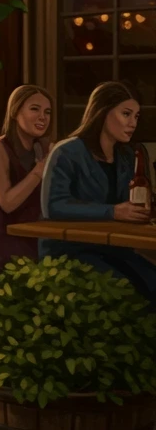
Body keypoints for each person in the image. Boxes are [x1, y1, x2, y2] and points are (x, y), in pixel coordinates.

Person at [40, 81, 155, 309]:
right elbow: (53, 206)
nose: (132, 123)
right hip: (71, 249)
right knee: (126, 292)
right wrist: (112, 211)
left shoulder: (128, 155)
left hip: (114, 247)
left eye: (136, 116)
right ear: (103, 112)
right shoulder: (67, 152)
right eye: (126, 114)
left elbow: (133, 203)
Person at [0, 85, 52, 278]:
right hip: (4, 249)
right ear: (15, 111)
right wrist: (38, 171)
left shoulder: (45, 149)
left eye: (47, 112)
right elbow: (7, 202)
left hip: (39, 244)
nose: (42, 117)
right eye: (34, 109)